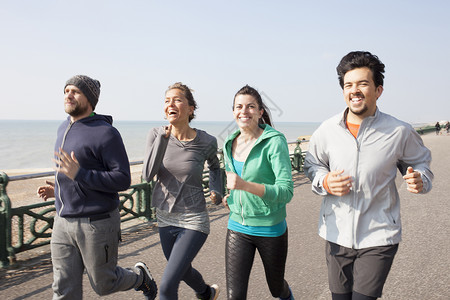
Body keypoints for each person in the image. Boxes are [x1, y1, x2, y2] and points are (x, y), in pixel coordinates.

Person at [304, 51, 433, 300]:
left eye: (363, 84)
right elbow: (312, 165)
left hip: (379, 234)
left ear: (378, 90)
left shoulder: (399, 131)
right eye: (349, 85)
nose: (355, 90)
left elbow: (421, 164)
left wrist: (420, 179)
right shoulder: (327, 130)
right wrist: (325, 181)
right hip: (336, 233)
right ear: (343, 90)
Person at [37, 75, 157, 300]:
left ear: (90, 99)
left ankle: (140, 277)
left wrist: (79, 174)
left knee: (104, 284)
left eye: (75, 91)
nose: (68, 95)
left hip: (97, 223)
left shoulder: (106, 133)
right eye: (66, 91)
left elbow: (122, 179)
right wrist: (61, 190)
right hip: (62, 221)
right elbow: (70, 172)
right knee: (63, 288)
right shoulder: (63, 128)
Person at [142, 82, 222, 300]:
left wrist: (216, 189)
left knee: (168, 286)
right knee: (182, 269)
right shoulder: (156, 134)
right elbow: (147, 175)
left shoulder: (206, 141)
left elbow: (215, 167)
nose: (170, 104)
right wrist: (162, 140)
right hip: (165, 217)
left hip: (194, 219)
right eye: (167, 101)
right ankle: (206, 293)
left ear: (190, 109)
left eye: (177, 99)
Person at [222, 85, 295, 300]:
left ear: (260, 111)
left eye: (250, 107)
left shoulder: (274, 141)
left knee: (276, 289)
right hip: (237, 226)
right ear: (233, 111)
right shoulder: (229, 142)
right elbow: (234, 181)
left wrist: (244, 186)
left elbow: (286, 191)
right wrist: (233, 197)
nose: (244, 111)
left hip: (270, 228)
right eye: (239, 107)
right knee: (234, 296)